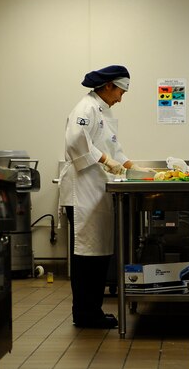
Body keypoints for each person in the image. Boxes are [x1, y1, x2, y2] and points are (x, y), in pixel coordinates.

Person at [58, 65, 151, 329]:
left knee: (97, 255)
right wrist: (106, 160)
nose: (121, 98)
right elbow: (76, 141)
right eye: (120, 92)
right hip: (82, 192)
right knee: (86, 257)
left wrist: (134, 168)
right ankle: (86, 314)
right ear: (108, 86)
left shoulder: (102, 111)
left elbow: (113, 148)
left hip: (96, 190)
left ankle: (92, 311)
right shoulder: (85, 108)